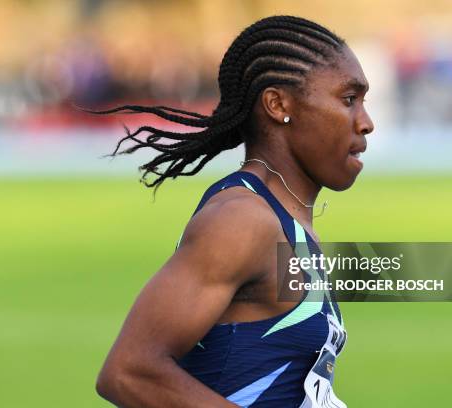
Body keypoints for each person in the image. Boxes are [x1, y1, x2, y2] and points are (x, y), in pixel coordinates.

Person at [92, 15, 374, 408]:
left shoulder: (287, 222)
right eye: (349, 100)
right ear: (278, 105)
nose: (366, 123)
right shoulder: (242, 220)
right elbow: (128, 372)